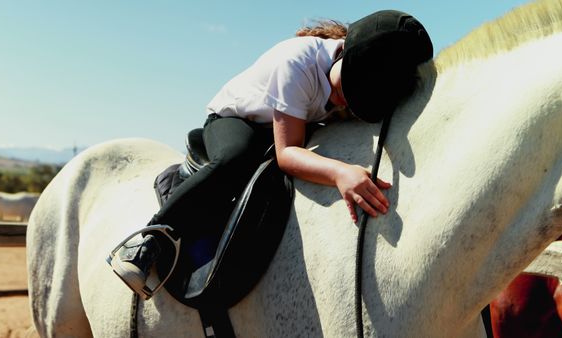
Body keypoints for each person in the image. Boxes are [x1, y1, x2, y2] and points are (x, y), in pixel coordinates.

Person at [109, 10, 433, 299]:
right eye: (341, 89)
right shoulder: (297, 64)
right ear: (345, 51)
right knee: (237, 156)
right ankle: (149, 238)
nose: (341, 102)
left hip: (289, 123)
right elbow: (287, 153)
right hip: (238, 121)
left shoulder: (353, 80)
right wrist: (340, 173)